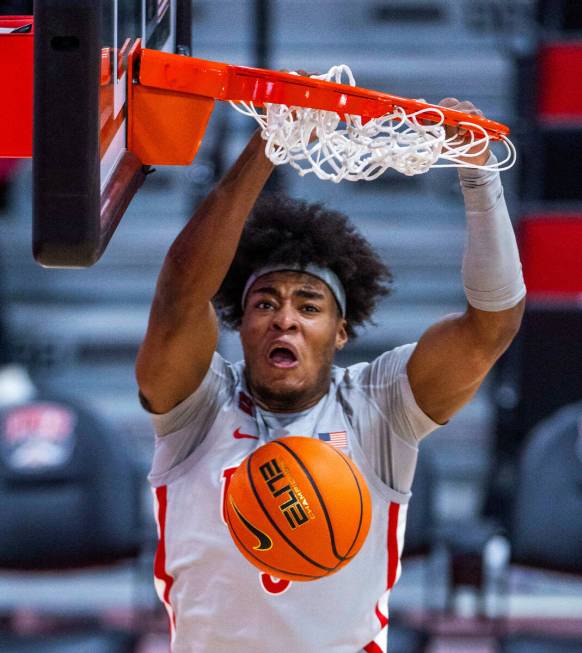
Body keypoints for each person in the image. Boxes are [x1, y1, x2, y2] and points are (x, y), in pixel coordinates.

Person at [136, 98, 525, 653]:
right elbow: (179, 292)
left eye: (309, 306)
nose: (286, 319)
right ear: (240, 324)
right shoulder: (196, 406)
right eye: (265, 303)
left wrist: (479, 175)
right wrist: (266, 147)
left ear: (341, 331)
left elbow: (492, 327)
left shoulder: (378, 404)